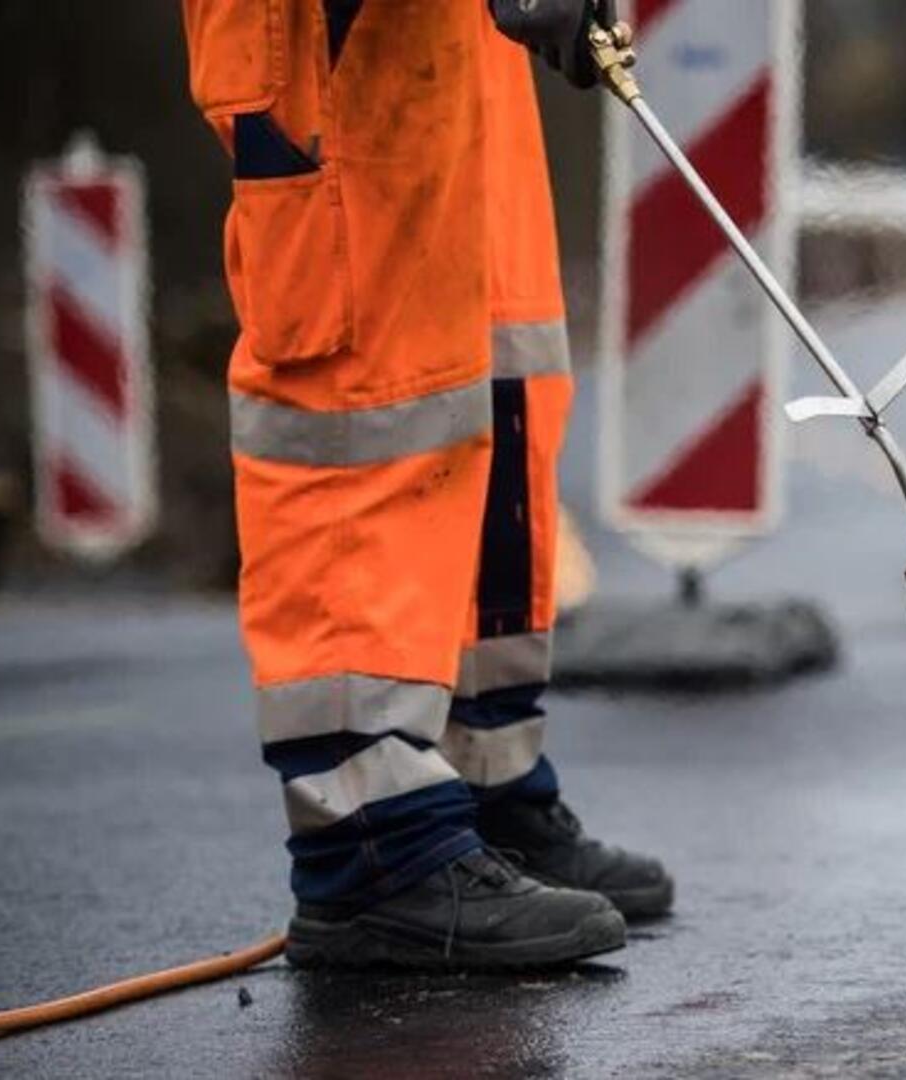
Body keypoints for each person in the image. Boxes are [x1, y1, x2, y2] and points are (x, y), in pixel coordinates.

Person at [179, 0, 671, 970]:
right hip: (326, 35)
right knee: (367, 393)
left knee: (494, 367)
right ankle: (372, 840)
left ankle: (482, 783)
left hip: (449, 41)